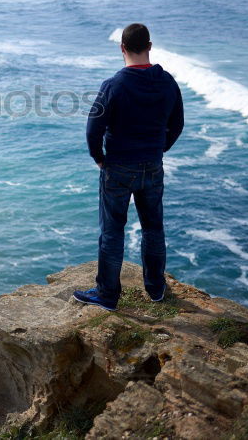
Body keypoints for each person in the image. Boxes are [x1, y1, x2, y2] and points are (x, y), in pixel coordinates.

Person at [74, 23, 184, 310]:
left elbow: (92, 129)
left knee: (112, 231)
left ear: (121, 48)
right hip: (152, 166)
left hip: (118, 168)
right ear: (149, 46)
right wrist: (159, 149)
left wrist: (99, 157)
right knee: (153, 229)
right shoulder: (167, 82)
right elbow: (177, 125)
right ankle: (156, 289)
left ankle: (108, 295)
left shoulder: (113, 86)